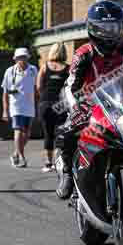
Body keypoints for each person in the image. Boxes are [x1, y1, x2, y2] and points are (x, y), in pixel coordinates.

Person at [56, 0, 123, 199]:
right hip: (91, 104)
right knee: (68, 129)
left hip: (122, 103)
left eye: (114, 27)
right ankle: (67, 172)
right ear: (93, 29)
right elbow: (71, 86)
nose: (110, 33)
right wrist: (76, 105)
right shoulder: (84, 53)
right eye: (105, 28)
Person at [1, 47, 39, 168]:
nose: (22, 60)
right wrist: (5, 111)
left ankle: (16, 153)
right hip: (16, 107)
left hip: (30, 106)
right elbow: (5, 93)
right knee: (18, 130)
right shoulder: (10, 71)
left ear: (28, 58)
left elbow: (36, 88)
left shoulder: (33, 70)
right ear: (15, 59)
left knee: (27, 133)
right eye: (19, 58)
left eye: (24, 57)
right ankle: (22, 157)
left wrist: (38, 104)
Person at [37, 42, 69, 173]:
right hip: (61, 104)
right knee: (60, 133)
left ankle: (48, 163)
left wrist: (44, 98)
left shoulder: (44, 67)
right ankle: (58, 161)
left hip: (45, 103)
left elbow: (38, 86)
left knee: (48, 133)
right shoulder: (68, 68)